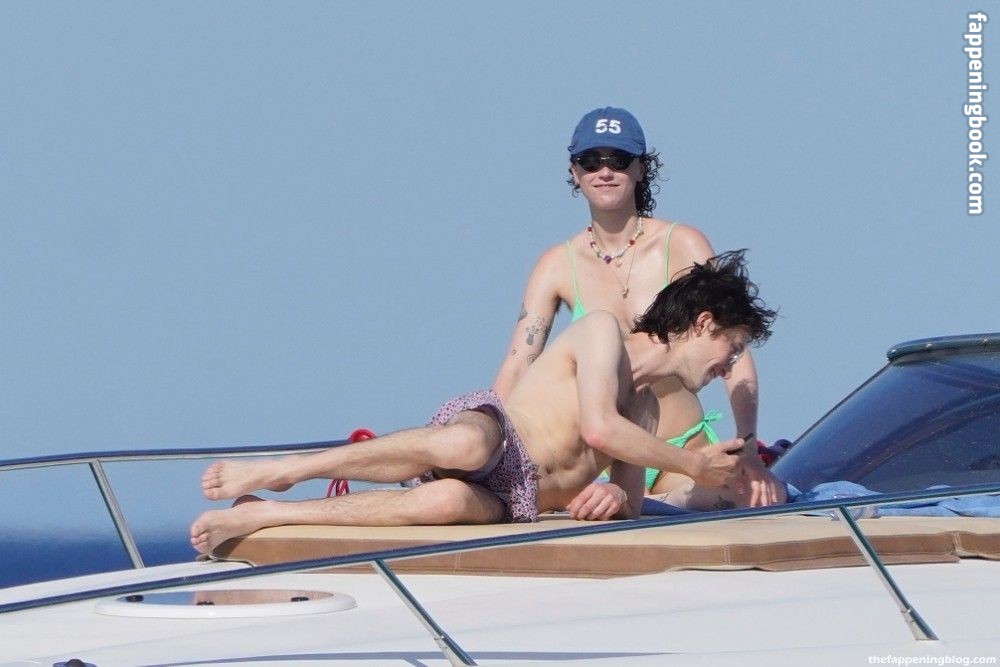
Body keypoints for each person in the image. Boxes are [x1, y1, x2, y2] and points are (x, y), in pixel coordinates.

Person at [190, 251, 776, 554]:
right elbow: (599, 428)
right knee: (465, 445)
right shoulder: (603, 333)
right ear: (703, 324)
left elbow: (628, 506)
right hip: (501, 438)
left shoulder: (645, 410)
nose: (730, 365)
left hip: (519, 500)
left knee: (443, 502)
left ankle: (266, 514)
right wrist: (693, 464)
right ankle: (287, 470)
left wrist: (616, 497)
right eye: (732, 347)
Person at [492, 106, 781, 506]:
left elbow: (732, 350)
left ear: (641, 169)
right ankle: (640, 504)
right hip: (602, 461)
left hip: (685, 449)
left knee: (752, 499)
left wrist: (748, 449)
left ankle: (657, 505)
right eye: (591, 161)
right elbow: (518, 363)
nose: (604, 172)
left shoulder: (682, 244)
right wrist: (494, 456)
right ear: (574, 172)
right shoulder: (557, 264)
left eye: (619, 160)